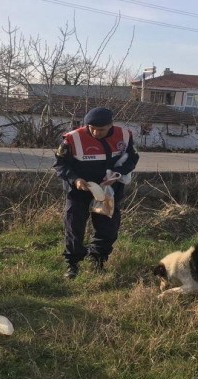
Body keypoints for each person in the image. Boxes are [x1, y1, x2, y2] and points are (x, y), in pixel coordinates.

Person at [53, 107, 139, 279]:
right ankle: (73, 264)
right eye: (91, 128)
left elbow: (132, 158)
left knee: (109, 228)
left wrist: (118, 174)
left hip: (108, 190)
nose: (95, 132)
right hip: (79, 190)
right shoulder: (71, 138)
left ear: (110, 125)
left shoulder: (124, 135)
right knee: (74, 227)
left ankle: (97, 259)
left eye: (101, 129)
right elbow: (60, 164)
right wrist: (75, 179)